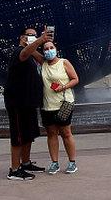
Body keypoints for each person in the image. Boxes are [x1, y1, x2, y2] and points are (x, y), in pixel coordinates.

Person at [4, 27, 52, 181]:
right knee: (18, 136)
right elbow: (24, 53)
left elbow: (43, 60)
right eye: (29, 35)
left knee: (28, 135)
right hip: (18, 101)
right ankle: (14, 170)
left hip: (30, 102)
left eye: (35, 35)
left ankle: (25, 163)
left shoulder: (31, 53)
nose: (33, 37)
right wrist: (39, 40)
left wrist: (46, 44)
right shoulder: (18, 51)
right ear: (22, 37)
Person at [40, 41, 79, 174]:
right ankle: (54, 162)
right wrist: (38, 39)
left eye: (51, 48)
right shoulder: (43, 63)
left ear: (56, 49)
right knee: (51, 134)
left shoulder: (64, 62)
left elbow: (75, 78)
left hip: (63, 103)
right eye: (46, 49)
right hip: (47, 105)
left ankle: (72, 162)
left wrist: (63, 87)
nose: (49, 50)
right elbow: (30, 50)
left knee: (66, 133)